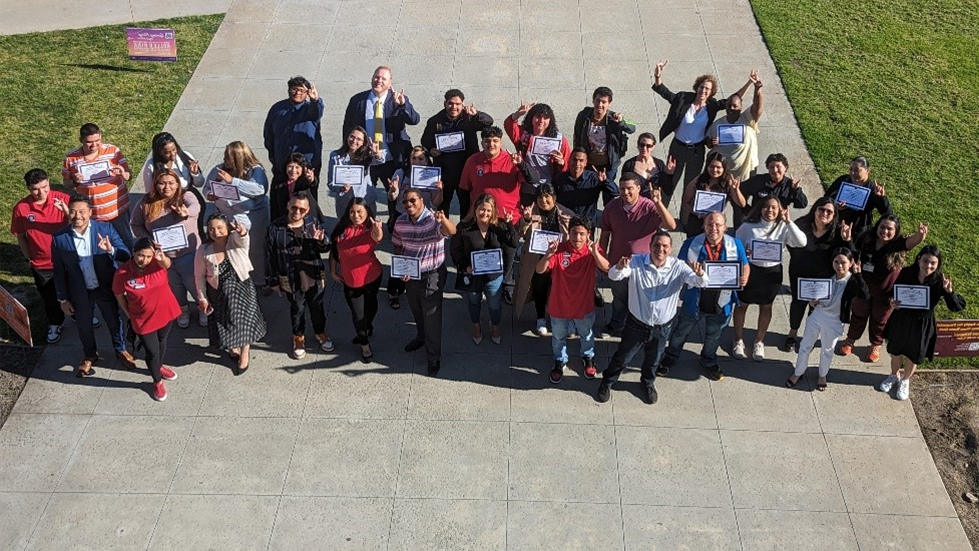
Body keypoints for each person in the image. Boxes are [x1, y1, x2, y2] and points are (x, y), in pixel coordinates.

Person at [596, 231, 709, 404]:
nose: (660, 249)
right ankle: (608, 381)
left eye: (665, 246)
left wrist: (700, 274)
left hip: (662, 327)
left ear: (671, 248)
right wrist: (619, 266)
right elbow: (614, 276)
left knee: (654, 359)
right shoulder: (636, 261)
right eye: (656, 245)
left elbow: (702, 283)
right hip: (636, 324)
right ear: (650, 247)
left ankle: (647, 383)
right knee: (623, 356)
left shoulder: (679, 267)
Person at [657, 212, 750, 381]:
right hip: (695, 298)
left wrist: (744, 276)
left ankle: (708, 360)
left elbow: (744, 264)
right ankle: (671, 356)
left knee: (714, 334)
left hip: (722, 299)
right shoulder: (691, 243)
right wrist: (691, 272)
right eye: (709, 225)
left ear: (725, 226)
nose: (713, 228)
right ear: (703, 226)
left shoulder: (734, 244)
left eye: (717, 225)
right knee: (681, 331)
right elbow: (679, 267)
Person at [52, 196, 135, 376]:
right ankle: (90, 355)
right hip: (79, 292)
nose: (77, 216)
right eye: (73, 211)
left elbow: (126, 254)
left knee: (114, 320)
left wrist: (110, 250)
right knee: (84, 326)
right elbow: (58, 271)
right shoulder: (59, 238)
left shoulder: (105, 229)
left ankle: (120, 349)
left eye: (82, 211)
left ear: (90, 212)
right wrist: (63, 298)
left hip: (105, 287)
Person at [879, 245, 966, 400]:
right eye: (926, 261)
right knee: (896, 351)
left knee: (914, 355)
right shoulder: (906, 273)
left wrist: (949, 292)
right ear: (919, 259)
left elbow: (956, 307)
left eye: (933, 263)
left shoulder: (939, 281)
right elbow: (892, 292)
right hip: (902, 319)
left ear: (938, 264)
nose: (928, 266)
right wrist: (892, 301)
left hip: (923, 323)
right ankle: (894, 375)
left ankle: (905, 380)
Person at [651, 61, 738, 209]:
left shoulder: (712, 106)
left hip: (696, 151)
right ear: (697, 87)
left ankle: (685, 219)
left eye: (707, 89)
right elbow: (664, 92)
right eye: (702, 87)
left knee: (691, 185)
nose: (703, 90)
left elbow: (732, 100)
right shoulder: (683, 99)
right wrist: (658, 76)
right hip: (677, 147)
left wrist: (751, 84)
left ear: (711, 92)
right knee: (669, 181)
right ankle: (661, 216)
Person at [598, 173, 677, 337]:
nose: (625, 192)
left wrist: (658, 203)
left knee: (641, 299)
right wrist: (602, 259)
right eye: (622, 188)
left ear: (639, 189)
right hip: (618, 263)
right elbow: (605, 235)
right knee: (619, 299)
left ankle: (637, 330)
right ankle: (616, 325)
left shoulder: (649, 206)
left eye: (629, 189)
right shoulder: (612, 207)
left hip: (643, 266)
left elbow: (671, 224)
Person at [840, 216, 927, 362]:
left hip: (886, 292)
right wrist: (848, 240)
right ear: (877, 227)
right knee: (858, 314)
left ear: (896, 231)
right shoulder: (867, 238)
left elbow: (910, 243)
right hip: (863, 288)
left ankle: (876, 344)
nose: (884, 231)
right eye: (882, 227)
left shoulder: (897, 245)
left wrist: (920, 236)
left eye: (889, 229)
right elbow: (854, 253)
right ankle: (851, 339)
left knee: (879, 320)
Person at [342, 66, 421, 225]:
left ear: (390, 82)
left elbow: (415, 120)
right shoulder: (358, 101)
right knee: (361, 195)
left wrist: (403, 106)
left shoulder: (397, 99)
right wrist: (347, 152)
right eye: (376, 77)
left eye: (383, 78)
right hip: (365, 158)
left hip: (391, 158)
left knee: (394, 195)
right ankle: (365, 224)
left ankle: (394, 223)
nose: (379, 81)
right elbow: (347, 127)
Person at [535, 216, 610, 384]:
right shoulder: (558, 250)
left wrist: (595, 253)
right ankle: (560, 361)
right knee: (558, 338)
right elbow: (539, 270)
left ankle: (588, 358)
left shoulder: (593, 251)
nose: (577, 238)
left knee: (586, 335)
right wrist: (548, 254)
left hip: (584, 307)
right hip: (559, 306)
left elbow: (607, 268)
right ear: (568, 233)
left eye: (582, 234)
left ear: (588, 234)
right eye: (574, 233)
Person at [732, 197, 807, 361]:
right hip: (751, 271)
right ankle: (738, 339)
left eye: (774, 207)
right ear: (760, 208)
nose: (769, 210)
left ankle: (759, 341)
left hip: (771, 273)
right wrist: (745, 253)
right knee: (742, 305)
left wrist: (788, 222)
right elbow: (736, 247)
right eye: (765, 207)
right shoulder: (748, 226)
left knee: (766, 307)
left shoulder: (783, 227)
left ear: (780, 210)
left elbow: (801, 242)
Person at [393, 189, 457, 376]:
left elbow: (451, 231)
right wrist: (402, 267)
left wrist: (443, 220)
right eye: (405, 202)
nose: (409, 204)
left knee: (432, 317)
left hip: (432, 274)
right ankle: (421, 337)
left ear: (422, 200)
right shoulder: (400, 221)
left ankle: (433, 357)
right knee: (417, 310)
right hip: (411, 275)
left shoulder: (432, 219)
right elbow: (398, 245)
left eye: (413, 200)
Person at [786, 247, 869, 391]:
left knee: (827, 349)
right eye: (836, 262)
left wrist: (859, 274)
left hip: (835, 320)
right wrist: (812, 301)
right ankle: (798, 372)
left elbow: (865, 295)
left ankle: (822, 375)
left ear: (851, 263)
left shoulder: (853, 281)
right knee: (806, 345)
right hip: (818, 314)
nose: (839, 266)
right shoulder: (826, 276)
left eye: (843, 262)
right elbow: (812, 291)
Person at [265, 192, 334, 360]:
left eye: (302, 210)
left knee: (317, 306)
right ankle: (298, 337)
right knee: (297, 309)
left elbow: (326, 247)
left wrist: (322, 240)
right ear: (288, 205)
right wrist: (272, 281)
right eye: (294, 207)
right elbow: (269, 256)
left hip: (313, 274)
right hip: (290, 276)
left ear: (308, 210)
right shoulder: (275, 228)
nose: (297, 212)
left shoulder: (313, 223)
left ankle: (320, 332)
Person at [131, 168, 203, 328]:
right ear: (155, 184)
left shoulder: (186, 196)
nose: (167, 187)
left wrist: (186, 212)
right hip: (163, 257)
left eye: (171, 183)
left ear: (178, 184)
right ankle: (183, 310)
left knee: (195, 284)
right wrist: (149, 240)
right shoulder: (146, 203)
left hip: (189, 254)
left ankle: (202, 308)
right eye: (162, 183)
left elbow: (195, 207)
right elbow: (135, 224)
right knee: (174, 286)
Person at [195, 214, 266, 375]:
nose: (216, 232)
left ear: (227, 228)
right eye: (212, 229)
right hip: (218, 293)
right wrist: (202, 298)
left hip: (242, 288)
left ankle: (245, 351)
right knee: (225, 322)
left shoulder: (235, 241)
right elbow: (198, 275)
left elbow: (243, 239)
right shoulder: (204, 250)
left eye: (220, 228)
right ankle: (232, 346)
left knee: (243, 321)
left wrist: (242, 232)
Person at [112, 238, 181, 401]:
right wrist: (128, 312)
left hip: (165, 311)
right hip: (143, 319)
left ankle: (159, 367)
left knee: (162, 340)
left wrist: (160, 257)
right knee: (152, 351)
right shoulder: (122, 273)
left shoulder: (157, 263)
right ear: (134, 252)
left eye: (148, 256)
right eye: (141, 255)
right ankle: (157, 381)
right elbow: (118, 294)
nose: (144, 260)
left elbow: (167, 264)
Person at [11, 168, 72, 343]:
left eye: (45, 187)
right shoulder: (21, 208)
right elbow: (21, 236)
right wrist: (28, 257)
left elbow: (78, 225)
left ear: (48, 182)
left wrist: (67, 211)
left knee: (75, 290)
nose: (41, 192)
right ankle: (55, 323)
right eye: (35, 189)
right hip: (42, 264)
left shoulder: (63, 199)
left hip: (67, 258)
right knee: (49, 297)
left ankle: (78, 315)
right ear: (28, 189)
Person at [784, 198, 853, 352]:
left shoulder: (837, 232)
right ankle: (792, 334)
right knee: (798, 303)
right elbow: (788, 240)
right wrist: (796, 255)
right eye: (821, 209)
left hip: (823, 277)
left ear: (834, 215)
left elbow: (848, 254)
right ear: (815, 210)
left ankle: (809, 336)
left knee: (816, 307)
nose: (824, 213)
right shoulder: (802, 224)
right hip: (799, 273)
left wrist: (847, 240)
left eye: (829, 211)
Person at [450, 194, 519, 345]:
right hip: (472, 274)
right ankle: (476, 325)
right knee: (474, 301)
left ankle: (494, 326)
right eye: (482, 209)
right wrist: (464, 266)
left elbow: (513, 243)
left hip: (493, 276)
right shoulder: (464, 227)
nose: (485, 214)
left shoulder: (498, 225)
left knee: (494, 305)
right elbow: (455, 250)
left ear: (493, 211)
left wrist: (509, 224)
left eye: (489, 210)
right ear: (475, 209)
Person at [204, 141, 271, 286]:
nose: (224, 159)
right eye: (225, 155)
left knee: (255, 250)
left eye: (228, 156)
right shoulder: (219, 169)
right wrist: (210, 195)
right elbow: (207, 188)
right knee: (231, 250)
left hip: (251, 218)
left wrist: (233, 181)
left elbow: (259, 189)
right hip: (226, 217)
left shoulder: (255, 170)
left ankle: (260, 281)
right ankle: (237, 281)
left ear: (238, 158)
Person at [385, 146, 444, 308]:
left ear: (427, 160)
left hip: (423, 221)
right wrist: (393, 190)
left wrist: (440, 191)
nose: (417, 161)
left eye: (421, 159)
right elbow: (392, 197)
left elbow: (436, 202)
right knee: (400, 254)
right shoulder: (401, 173)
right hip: (402, 219)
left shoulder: (431, 175)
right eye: (414, 158)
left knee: (418, 254)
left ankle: (414, 285)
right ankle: (394, 290)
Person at [420, 88, 494, 216]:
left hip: (466, 169)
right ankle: (444, 232)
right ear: (445, 104)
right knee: (443, 206)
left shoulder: (470, 117)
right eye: (450, 103)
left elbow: (489, 122)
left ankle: (464, 233)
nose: (454, 107)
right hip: (445, 170)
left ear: (463, 104)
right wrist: (431, 150)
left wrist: (476, 115)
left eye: (458, 104)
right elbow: (425, 141)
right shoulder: (435, 121)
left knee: (467, 205)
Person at [512, 184, 574, 336]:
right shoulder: (531, 211)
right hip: (537, 259)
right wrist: (526, 219)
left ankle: (567, 319)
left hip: (559, 259)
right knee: (539, 288)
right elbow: (519, 233)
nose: (543, 201)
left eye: (547, 197)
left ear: (554, 198)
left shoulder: (565, 214)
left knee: (561, 291)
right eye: (540, 197)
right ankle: (540, 318)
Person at [62, 122, 134, 248]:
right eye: (89, 142)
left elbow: (128, 174)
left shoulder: (113, 151)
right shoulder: (71, 158)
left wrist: (123, 174)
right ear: (81, 140)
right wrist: (74, 181)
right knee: (99, 246)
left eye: (97, 140)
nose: (94, 145)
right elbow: (66, 183)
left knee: (126, 241)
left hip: (118, 210)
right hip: (93, 214)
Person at [330, 198, 384, 363]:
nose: (355, 215)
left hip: (372, 276)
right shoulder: (341, 229)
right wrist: (332, 271)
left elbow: (377, 236)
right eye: (352, 211)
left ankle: (367, 327)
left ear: (367, 212)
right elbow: (334, 252)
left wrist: (377, 229)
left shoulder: (370, 229)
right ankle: (364, 345)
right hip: (350, 281)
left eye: (360, 211)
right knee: (358, 315)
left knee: (371, 306)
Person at [572, 86, 636, 203]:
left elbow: (633, 127)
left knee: (609, 197)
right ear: (593, 100)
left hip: (609, 165)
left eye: (604, 102)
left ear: (609, 103)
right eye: (598, 100)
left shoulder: (614, 117)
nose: (600, 105)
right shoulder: (584, 115)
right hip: (590, 166)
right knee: (588, 196)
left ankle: (609, 219)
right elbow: (577, 136)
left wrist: (621, 122)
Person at [706, 69, 764, 188]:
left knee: (741, 203)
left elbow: (757, 108)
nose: (731, 108)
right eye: (729, 106)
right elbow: (707, 143)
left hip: (745, 171)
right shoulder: (717, 124)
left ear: (741, 107)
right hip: (722, 173)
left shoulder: (747, 119)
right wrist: (710, 142)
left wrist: (757, 90)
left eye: (735, 106)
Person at [504, 101, 571, 203]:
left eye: (545, 118)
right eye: (538, 117)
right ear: (531, 117)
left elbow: (567, 166)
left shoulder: (560, 139)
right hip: (527, 187)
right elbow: (509, 125)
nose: (541, 121)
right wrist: (518, 114)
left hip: (549, 188)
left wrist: (561, 162)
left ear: (550, 120)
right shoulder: (524, 135)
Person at [263, 76, 324, 180]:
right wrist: (274, 157)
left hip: (306, 166)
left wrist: (315, 100)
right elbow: (269, 134)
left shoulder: (310, 108)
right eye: (294, 89)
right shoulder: (278, 108)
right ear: (289, 90)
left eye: (301, 90)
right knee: (280, 194)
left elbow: (317, 112)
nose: (297, 93)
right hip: (282, 165)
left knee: (305, 196)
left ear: (307, 93)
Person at [679, 151, 746, 237]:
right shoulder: (698, 180)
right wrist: (699, 213)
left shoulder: (728, 182)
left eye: (718, 167)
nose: (714, 170)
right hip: (697, 222)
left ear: (724, 168)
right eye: (711, 166)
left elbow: (742, 204)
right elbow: (685, 202)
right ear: (707, 166)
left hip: (717, 224)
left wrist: (736, 190)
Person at [825, 156, 893, 236]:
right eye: (851, 169)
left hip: (858, 231)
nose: (852, 173)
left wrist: (882, 198)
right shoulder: (843, 180)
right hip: (836, 225)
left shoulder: (873, 189)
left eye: (857, 170)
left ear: (868, 170)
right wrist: (835, 207)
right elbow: (826, 198)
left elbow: (888, 214)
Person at [737, 153, 808, 229]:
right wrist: (747, 210)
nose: (775, 170)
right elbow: (740, 190)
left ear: (785, 168)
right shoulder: (758, 180)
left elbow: (802, 204)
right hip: (757, 222)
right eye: (771, 167)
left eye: (778, 166)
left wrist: (796, 190)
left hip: (778, 224)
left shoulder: (790, 185)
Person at [553, 147, 619, 224]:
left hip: (587, 224)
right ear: (569, 160)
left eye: (581, 161)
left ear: (585, 163)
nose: (577, 164)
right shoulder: (559, 179)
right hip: (565, 223)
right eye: (574, 159)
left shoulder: (594, 178)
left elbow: (615, 192)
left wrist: (605, 181)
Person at [327, 126, 379, 217]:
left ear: (363, 143)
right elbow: (331, 182)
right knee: (346, 230)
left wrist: (377, 154)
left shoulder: (367, 156)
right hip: (345, 202)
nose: (354, 141)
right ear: (347, 137)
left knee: (368, 229)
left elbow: (379, 160)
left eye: (359, 139)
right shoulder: (335, 156)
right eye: (352, 137)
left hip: (365, 200)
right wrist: (341, 188)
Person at [140, 132, 205, 193]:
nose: (172, 154)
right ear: (159, 152)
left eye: (174, 149)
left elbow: (200, 184)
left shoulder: (185, 157)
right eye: (167, 153)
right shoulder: (151, 166)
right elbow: (149, 192)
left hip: (189, 195)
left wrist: (195, 174)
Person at [269, 153, 323, 222]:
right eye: (290, 166)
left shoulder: (305, 180)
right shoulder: (278, 181)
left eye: (297, 167)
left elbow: (312, 184)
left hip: (307, 221)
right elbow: (273, 204)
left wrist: (311, 179)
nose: (293, 170)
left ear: (303, 169)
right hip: (284, 220)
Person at [620, 133, 675, 199]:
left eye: (648, 146)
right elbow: (624, 188)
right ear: (638, 145)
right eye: (642, 145)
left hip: (654, 203)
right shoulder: (629, 165)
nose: (644, 148)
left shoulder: (659, 164)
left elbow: (667, 190)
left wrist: (669, 174)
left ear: (653, 147)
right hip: (636, 204)